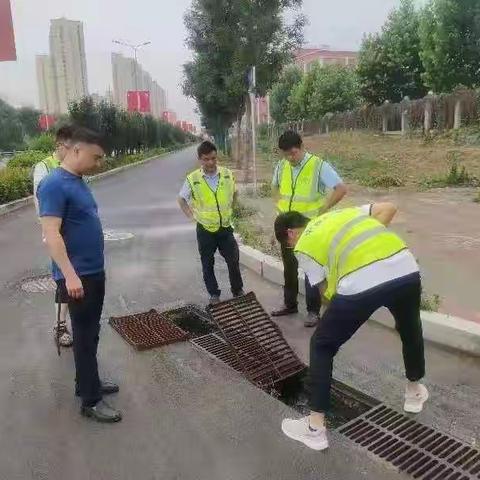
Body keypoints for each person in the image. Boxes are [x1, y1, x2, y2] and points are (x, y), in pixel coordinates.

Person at [275, 203, 427, 451]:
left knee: (322, 344)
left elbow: (324, 291)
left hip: (360, 284)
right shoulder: (342, 214)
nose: (291, 247)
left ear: (290, 233)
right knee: (410, 330)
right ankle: (414, 392)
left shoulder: (303, 245)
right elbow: (389, 207)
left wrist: (338, 317)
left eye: (287, 243)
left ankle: (314, 428)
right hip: (405, 269)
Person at [37, 127, 122, 423]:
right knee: (84, 337)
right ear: (75, 151)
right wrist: (70, 276)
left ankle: (87, 383)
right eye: (95, 157)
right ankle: (90, 400)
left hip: (92, 271)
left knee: (91, 332)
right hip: (78, 276)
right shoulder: (53, 185)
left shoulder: (77, 181)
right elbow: (51, 235)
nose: (98, 163)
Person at [271, 130, 347, 327]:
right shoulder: (281, 165)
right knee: (289, 267)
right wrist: (278, 207)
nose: (290, 158)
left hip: (309, 228)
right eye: (286, 154)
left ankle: (313, 311)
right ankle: (290, 304)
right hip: (288, 227)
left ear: (302, 147)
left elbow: (341, 188)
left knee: (311, 270)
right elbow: (274, 187)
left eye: (293, 153)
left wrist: (323, 210)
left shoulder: (318, 166)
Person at [178, 141, 244, 304]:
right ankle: (214, 294)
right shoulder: (193, 179)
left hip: (225, 228)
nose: (211, 163)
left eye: (213, 158)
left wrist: (231, 210)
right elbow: (181, 199)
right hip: (205, 230)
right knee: (207, 263)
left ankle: (238, 290)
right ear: (200, 160)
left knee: (233, 260)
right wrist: (191, 216)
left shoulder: (227, 174)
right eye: (206, 159)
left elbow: (235, 193)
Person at [33, 124, 77, 348]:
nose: (73, 154)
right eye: (70, 149)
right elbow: (43, 207)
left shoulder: (75, 167)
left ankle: (76, 321)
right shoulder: (44, 168)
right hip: (58, 236)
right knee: (63, 281)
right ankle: (60, 326)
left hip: (76, 237)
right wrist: (50, 235)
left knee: (76, 280)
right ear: (60, 146)